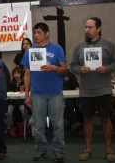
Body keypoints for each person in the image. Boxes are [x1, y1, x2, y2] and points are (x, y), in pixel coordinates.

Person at [70, 17, 115, 162]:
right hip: (86, 90)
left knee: (106, 119)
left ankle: (109, 151)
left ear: (98, 29)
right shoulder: (78, 46)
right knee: (88, 119)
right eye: (86, 27)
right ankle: (88, 150)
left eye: (90, 27)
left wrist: (107, 68)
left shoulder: (109, 44)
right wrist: (80, 69)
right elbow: (73, 66)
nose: (87, 30)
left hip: (104, 89)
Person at [21, 22, 67, 162]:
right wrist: (26, 95)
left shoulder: (57, 48)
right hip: (37, 94)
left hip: (55, 93)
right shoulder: (30, 51)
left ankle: (58, 151)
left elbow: (65, 70)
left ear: (47, 34)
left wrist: (54, 68)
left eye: (39, 32)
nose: (36, 35)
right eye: (34, 32)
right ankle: (40, 150)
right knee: (38, 125)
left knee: (58, 124)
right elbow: (27, 74)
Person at [6, 66, 25, 137]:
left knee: (23, 111)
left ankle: (26, 126)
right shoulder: (12, 82)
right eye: (14, 73)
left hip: (21, 101)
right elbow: (9, 92)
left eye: (18, 73)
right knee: (9, 113)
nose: (16, 75)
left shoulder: (24, 82)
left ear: (21, 74)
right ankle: (10, 128)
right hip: (12, 101)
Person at [63, 69, 83, 134]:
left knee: (69, 103)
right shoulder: (53, 74)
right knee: (68, 103)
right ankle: (74, 122)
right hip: (56, 96)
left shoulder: (70, 75)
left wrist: (77, 88)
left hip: (70, 97)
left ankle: (75, 123)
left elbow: (76, 86)